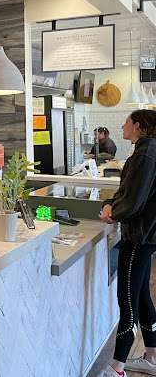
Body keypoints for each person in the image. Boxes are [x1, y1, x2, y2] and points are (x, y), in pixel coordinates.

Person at [99, 110, 156, 377]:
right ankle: (152, 356)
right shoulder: (145, 150)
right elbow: (128, 193)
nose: (122, 125)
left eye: (127, 121)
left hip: (139, 235)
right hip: (145, 234)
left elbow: (134, 200)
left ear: (139, 126)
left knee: (128, 300)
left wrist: (114, 212)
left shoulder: (146, 153)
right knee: (143, 295)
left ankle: (117, 366)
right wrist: (111, 204)